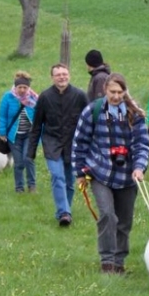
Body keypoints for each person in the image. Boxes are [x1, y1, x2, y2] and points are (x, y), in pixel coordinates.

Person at [73, 73, 149, 274]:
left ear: (125, 92)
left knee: (124, 221)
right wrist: (80, 172)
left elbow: (142, 144)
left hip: (128, 175)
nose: (116, 96)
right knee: (108, 215)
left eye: (120, 92)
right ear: (105, 90)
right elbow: (79, 142)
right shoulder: (93, 111)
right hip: (100, 172)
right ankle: (106, 261)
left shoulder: (135, 114)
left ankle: (119, 262)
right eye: (112, 92)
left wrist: (139, 167)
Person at [28, 63, 88, 226]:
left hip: (73, 144)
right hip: (52, 143)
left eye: (64, 74)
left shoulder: (80, 96)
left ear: (69, 75)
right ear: (52, 77)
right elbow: (37, 126)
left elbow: (90, 122)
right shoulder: (45, 97)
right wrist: (31, 151)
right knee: (57, 176)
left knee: (69, 181)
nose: (62, 77)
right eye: (58, 75)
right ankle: (64, 212)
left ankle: (64, 211)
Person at [0, 71, 39, 193]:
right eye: (19, 87)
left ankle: (32, 185)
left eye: (25, 87)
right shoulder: (7, 97)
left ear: (28, 88)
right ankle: (19, 187)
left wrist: (39, 133)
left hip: (29, 135)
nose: (22, 90)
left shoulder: (34, 98)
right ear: (15, 87)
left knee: (28, 159)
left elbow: (40, 117)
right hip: (13, 136)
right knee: (19, 162)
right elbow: (3, 116)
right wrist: (2, 132)